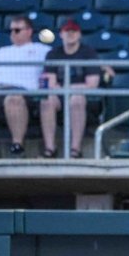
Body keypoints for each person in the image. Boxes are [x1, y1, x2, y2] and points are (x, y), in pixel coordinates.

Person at [0, 14, 51, 158]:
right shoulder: (2, 51)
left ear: (29, 31)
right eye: (11, 30)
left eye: (17, 30)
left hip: (22, 91)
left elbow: (53, 71)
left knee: (13, 99)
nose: (13, 34)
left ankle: (17, 145)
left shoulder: (42, 50)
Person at [39, 19, 101, 159]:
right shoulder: (54, 53)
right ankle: (50, 148)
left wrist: (67, 87)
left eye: (74, 31)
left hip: (83, 96)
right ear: (61, 34)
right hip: (60, 94)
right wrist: (64, 88)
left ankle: (75, 149)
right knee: (46, 101)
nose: (70, 34)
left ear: (79, 34)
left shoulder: (88, 53)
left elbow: (92, 84)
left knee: (76, 100)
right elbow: (51, 82)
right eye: (67, 31)